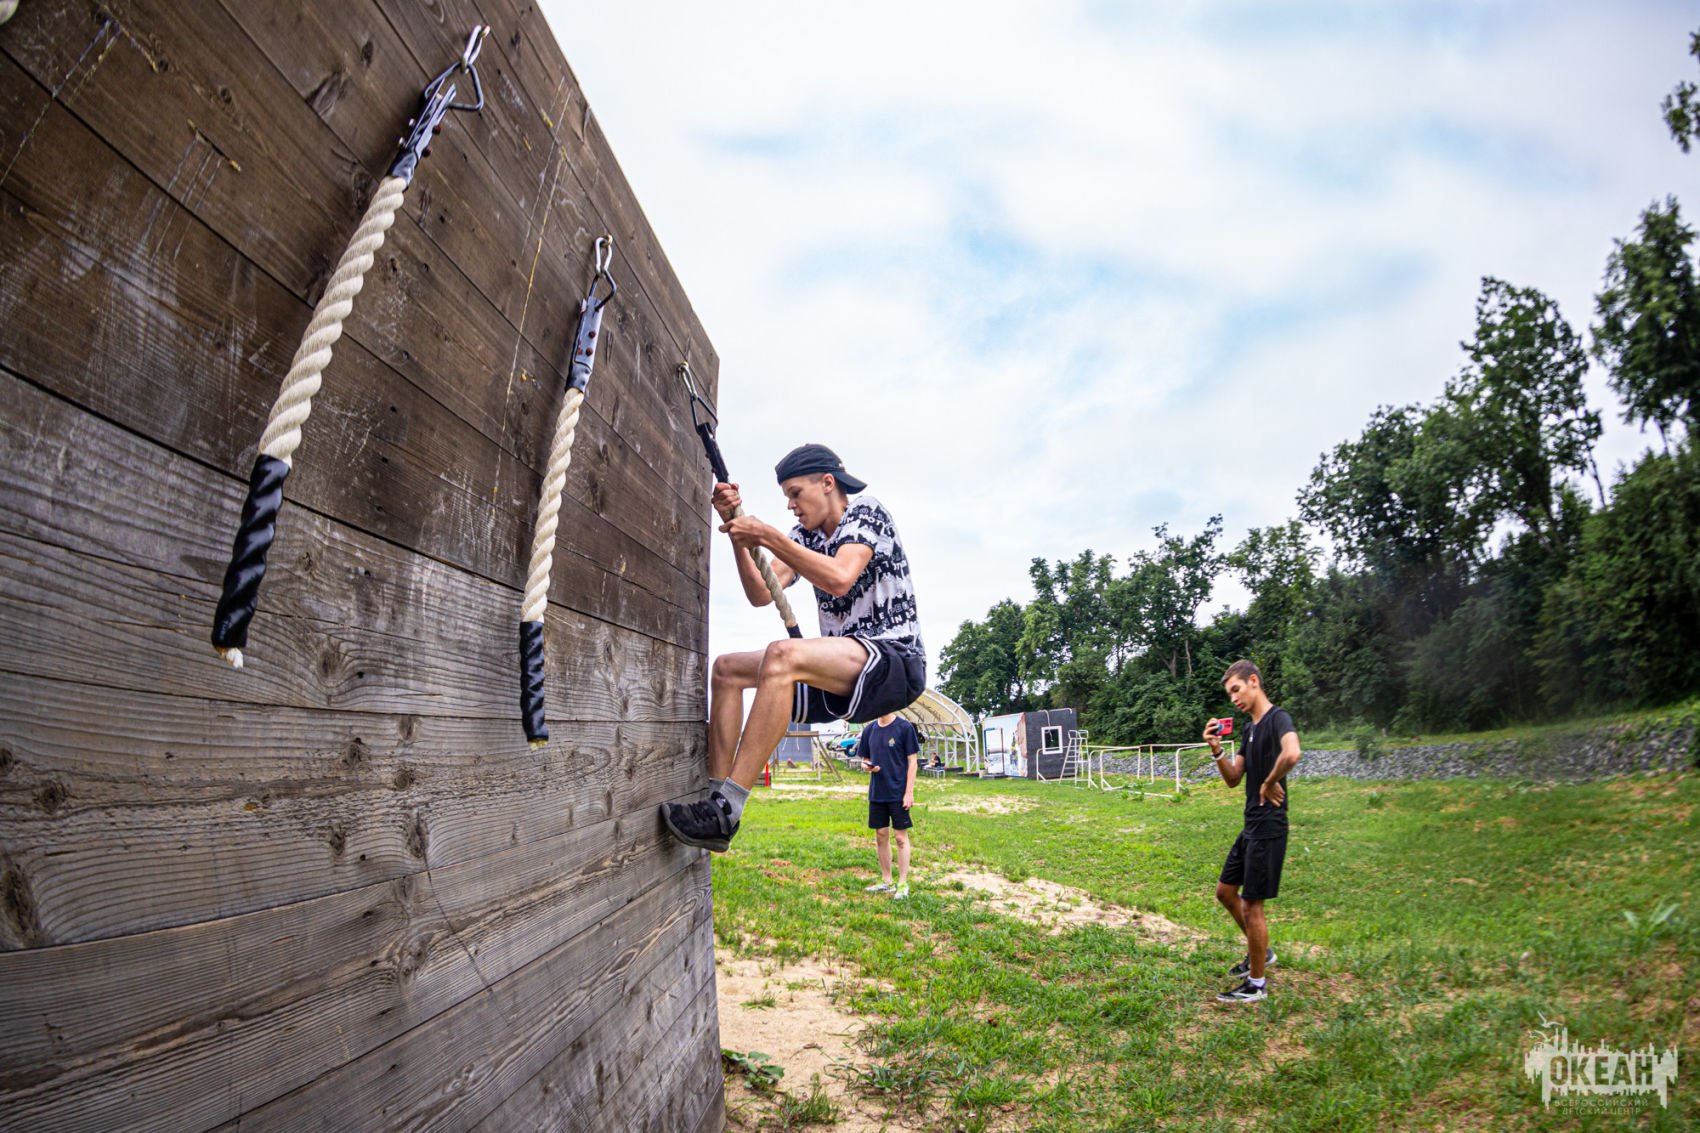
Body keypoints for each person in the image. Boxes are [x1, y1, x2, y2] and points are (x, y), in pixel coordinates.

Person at [662, 444, 926, 852]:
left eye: (795, 493)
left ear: (828, 483)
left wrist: (767, 534)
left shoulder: (866, 512)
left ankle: (729, 807)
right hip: (845, 668)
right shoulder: (806, 536)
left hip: (894, 662)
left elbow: (840, 577)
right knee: (727, 669)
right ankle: (714, 805)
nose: (790, 505)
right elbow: (759, 592)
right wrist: (738, 532)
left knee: (782, 654)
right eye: (786, 497)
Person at [1203, 659, 1302, 1003]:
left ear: (1254, 682)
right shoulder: (1249, 729)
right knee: (1225, 892)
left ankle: (1256, 985)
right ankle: (1262, 951)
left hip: (1269, 826)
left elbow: (1293, 752)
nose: (1234, 699)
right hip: (1251, 826)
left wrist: (1270, 781)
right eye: (1229, 694)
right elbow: (1233, 779)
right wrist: (1217, 750)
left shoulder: (1278, 719)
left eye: (1237, 690)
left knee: (1252, 906)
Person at [856, 711, 919, 898]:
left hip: (898, 793)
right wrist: (867, 766)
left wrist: (909, 792)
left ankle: (903, 883)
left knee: (900, 838)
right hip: (877, 793)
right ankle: (887, 881)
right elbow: (864, 760)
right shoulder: (869, 730)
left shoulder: (904, 728)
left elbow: (913, 762)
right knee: (881, 836)